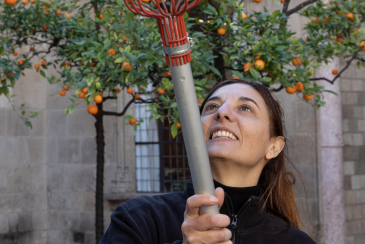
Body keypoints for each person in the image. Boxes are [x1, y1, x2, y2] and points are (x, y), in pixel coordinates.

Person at [99, 79, 315, 244]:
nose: (221, 113)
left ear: (274, 146)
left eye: (245, 108)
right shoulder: (139, 220)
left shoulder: (295, 241)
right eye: (211, 107)